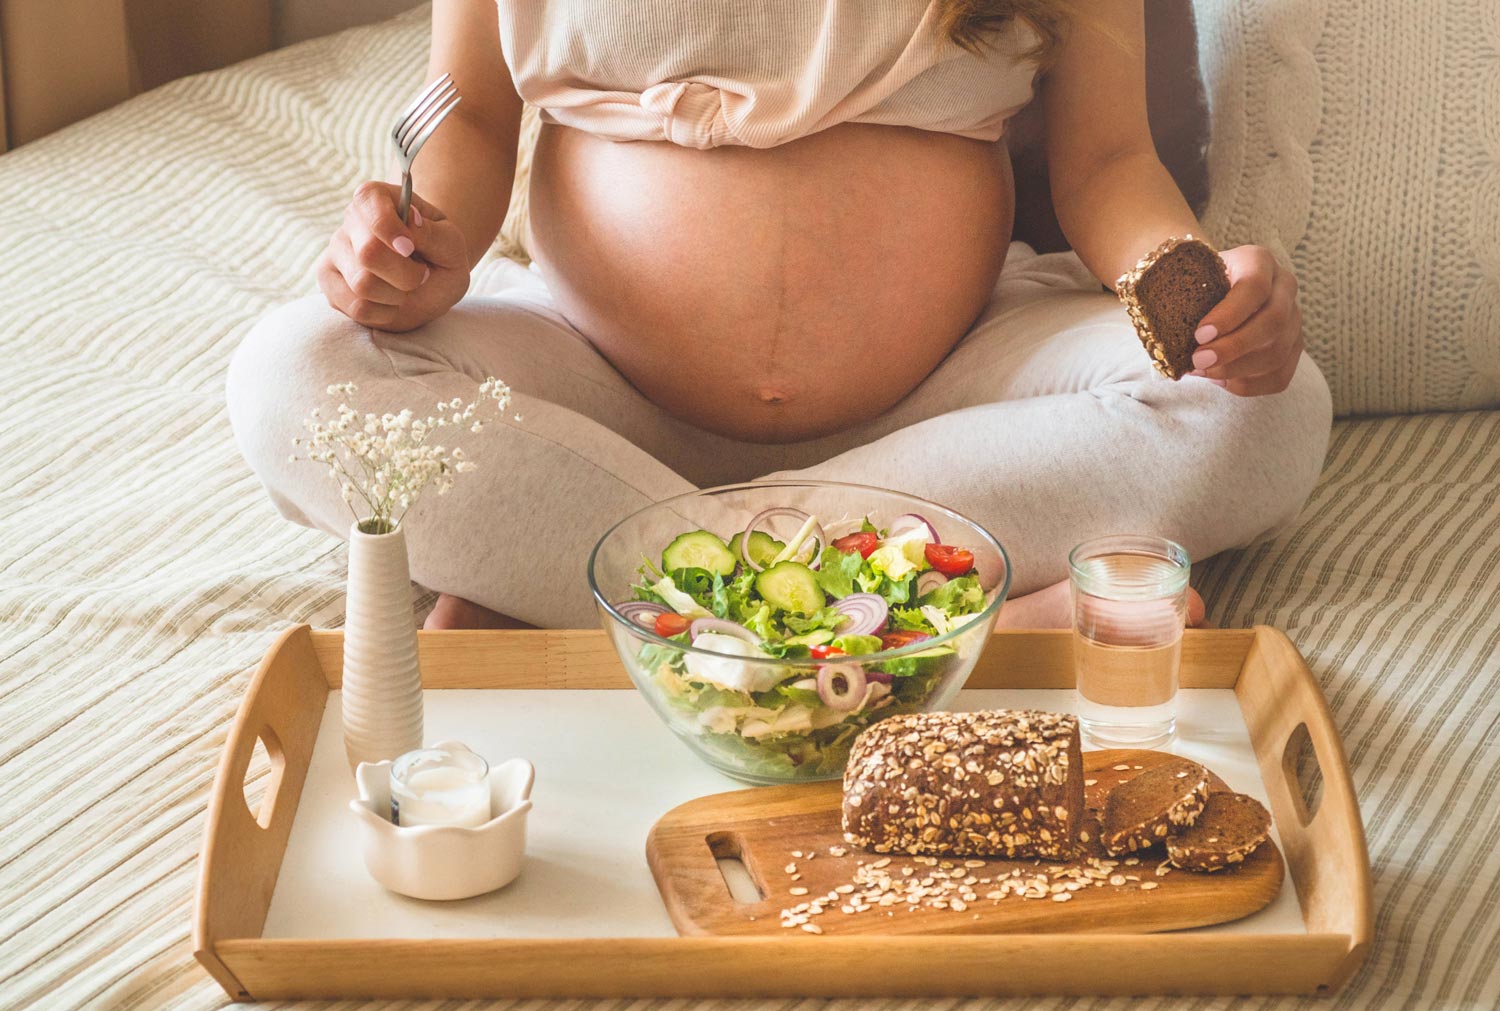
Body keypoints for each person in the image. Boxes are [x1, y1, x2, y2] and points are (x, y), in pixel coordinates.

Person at [227, 0, 1331, 631]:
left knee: (1263, 411)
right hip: (603, 397)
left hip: (941, 405)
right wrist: (424, 247)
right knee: (295, 376)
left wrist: (1192, 293)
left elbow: (1105, 163)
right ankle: (923, 617)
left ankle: (622, 593)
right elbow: (469, 115)